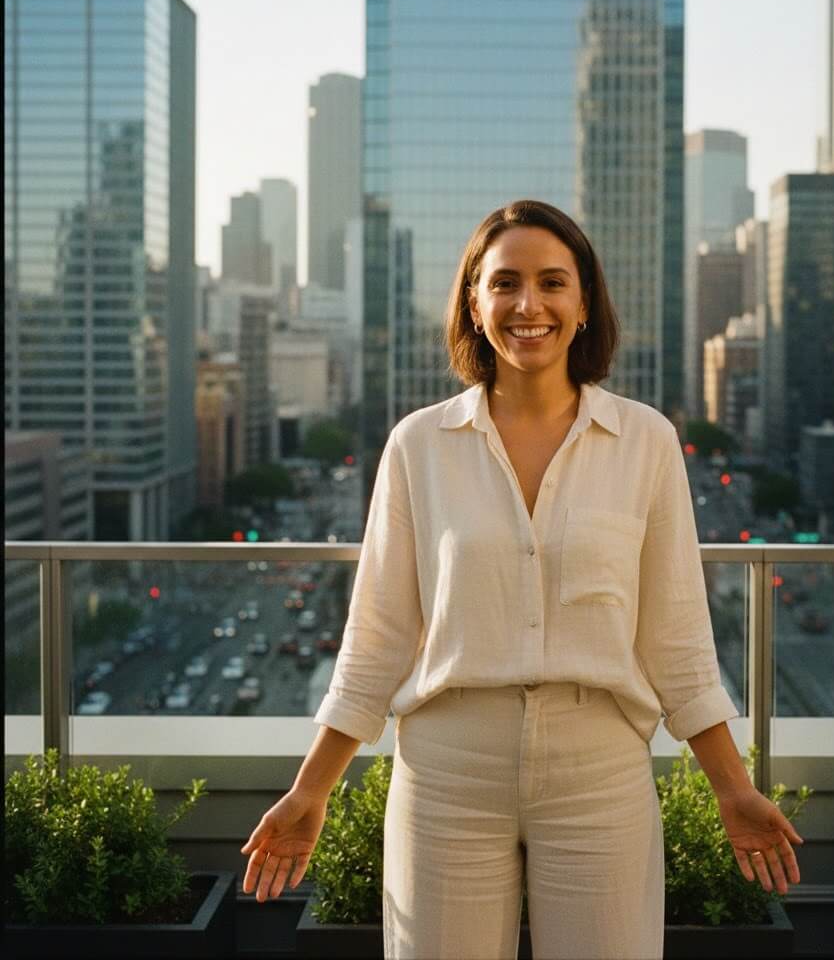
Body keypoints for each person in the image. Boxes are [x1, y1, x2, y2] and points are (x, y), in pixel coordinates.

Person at [240, 200, 804, 958]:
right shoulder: (419, 447)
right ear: (475, 303)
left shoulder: (647, 442)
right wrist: (311, 790)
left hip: (599, 771)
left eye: (552, 283)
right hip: (447, 773)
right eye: (504, 284)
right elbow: (378, 636)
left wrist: (732, 788)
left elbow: (676, 636)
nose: (528, 305)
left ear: (583, 305)